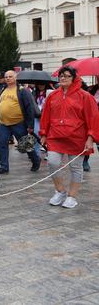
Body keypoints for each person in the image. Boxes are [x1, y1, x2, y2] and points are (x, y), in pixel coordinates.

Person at [39, 66, 99, 209]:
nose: (63, 78)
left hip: (77, 138)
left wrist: (90, 138)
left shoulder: (85, 96)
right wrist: (43, 134)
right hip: (55, 137)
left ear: (74, 78)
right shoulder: (52, 96)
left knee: (75, 167)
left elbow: (93, 118)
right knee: (52, 163)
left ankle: (72, 196)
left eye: (66, 76)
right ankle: (60, 191)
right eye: (61, 76)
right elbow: (46, 116)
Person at [0, 70, 40, 174]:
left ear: (16, 77)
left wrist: (30, 125)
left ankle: (35, 160)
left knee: (25, 145)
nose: (7, 78)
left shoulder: (22, 90)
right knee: (2, 144)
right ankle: (4, 166)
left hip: (18, 123)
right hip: (4, 123)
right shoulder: (3, 90)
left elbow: (29, 108)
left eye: (10, 76)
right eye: (6, 76)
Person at [31, 83, 53, 160]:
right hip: (37, 117)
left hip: (47, 117)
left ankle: (49, 153)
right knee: (36, 135)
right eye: (39, 84)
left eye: (42, 84)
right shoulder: (34, 93)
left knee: (48, 135)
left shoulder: (50, 92)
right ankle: (37, 154)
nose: (41, 85)